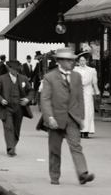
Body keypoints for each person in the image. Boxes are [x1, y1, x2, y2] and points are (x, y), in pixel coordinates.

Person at [38, 47, 93, 186]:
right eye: (69, 60)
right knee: (55, 149)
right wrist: (49, 117)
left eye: (72, 60)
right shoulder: (49, 77)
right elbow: (45, 99)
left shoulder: (76, 77)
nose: (72, 63)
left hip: (72, 118)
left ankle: (83, 174)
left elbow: (80, 98)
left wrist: (81, 117)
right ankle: (54, 176)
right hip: (55, 119)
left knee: (76, 146)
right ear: (60, 61)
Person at [0, 60, 28, 156]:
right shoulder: (1, 79)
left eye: (17, 69)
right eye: (14, 69)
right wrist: (1, 99)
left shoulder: (23, 78)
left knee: (16, 129)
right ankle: (11, 148)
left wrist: (27, 99)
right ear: (9, 68)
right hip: (6, 107)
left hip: (19, 107)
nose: (16, 71)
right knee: (8, 127)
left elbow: (30, 91)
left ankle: (12, 144)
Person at [74, 50, 98, 136]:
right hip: (78, 92)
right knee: (79, 111)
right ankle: (80, 130)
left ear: (86, 61)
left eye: (83, 60)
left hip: (88, 92)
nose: (82, 62)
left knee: (88, 111)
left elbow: (94, 82)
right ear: (78, 62)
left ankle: (87, 130)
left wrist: (97, 91)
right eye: (80, 60)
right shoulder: (75, 70)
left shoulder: (92, 70)